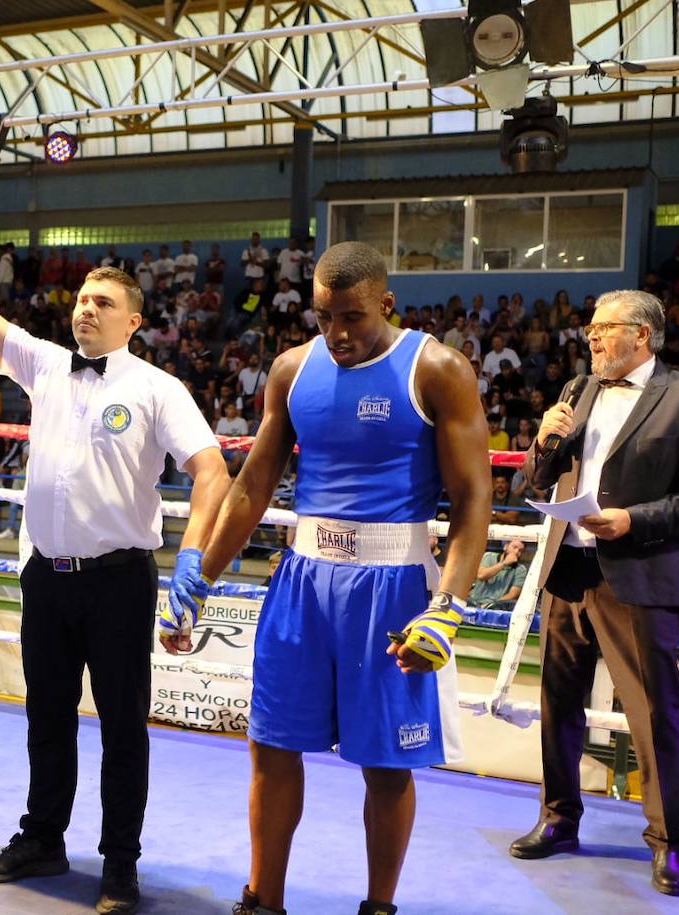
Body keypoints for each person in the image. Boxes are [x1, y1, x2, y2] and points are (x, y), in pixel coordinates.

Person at [0, 165, 231, 915]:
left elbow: (212, 469)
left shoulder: (157, 388)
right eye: (83, 298)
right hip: (45, 577)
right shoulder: (45, 364)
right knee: (46, 716)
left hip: (120, 580)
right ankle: (43, 836)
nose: (87, 308)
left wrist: (194, 555)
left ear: (133, 322)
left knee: (124, 727)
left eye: (104, 302)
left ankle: (119, 863)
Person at [194, 241, 492, 915]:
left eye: (352, 316)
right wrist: (199, 576)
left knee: (386, 763)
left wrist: (449, 604)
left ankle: (378, 907)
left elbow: (475, 498)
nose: (337, 333)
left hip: (393, 585)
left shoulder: (437, 367)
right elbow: (253, 485)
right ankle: (261, 900)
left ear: (386, 303)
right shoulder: (292, 369)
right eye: (324, 316)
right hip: (302, 582)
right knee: (270, 746)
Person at [513, 290, 679, 896]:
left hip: (638, 574)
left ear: (642, 334)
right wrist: (543, 443)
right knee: (558, 708)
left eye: (604, 329)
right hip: (569, 570)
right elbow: (538, 478)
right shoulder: (577, 391)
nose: (592, 338)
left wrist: (634, 519)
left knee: (653, 716)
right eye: (591, 329)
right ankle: (558, 818)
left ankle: (666, 844)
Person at [470, 540, 528, 610]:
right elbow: (481, 575)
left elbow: (513, 594)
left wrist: (491, 605)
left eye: (520, 550)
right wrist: (504, 563)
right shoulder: (489, 557)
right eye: (514, 547)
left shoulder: (520, 569)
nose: (516, 552)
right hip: (475, 601)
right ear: (505, 547)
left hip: (498, 606)